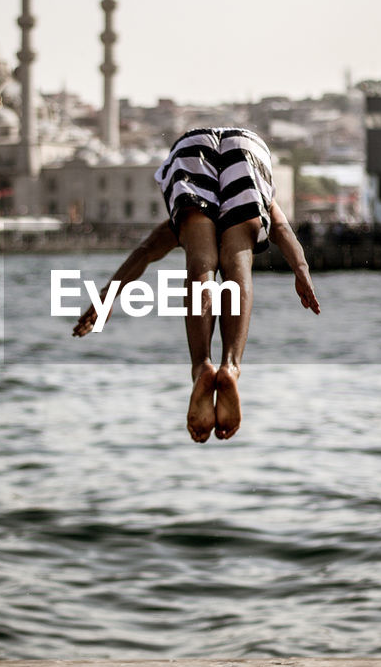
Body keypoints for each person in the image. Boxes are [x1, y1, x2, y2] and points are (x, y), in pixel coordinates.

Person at [73, 127, 320, 443]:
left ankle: (201, 365)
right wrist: (301, 270)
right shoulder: (255, 200)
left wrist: (107, 296)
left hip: (192, 150)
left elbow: (145, 252)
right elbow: (284, 231)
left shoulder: (178, 223)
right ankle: (231, 366)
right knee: (238, 263)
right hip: (247, 149)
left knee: (201, 267)